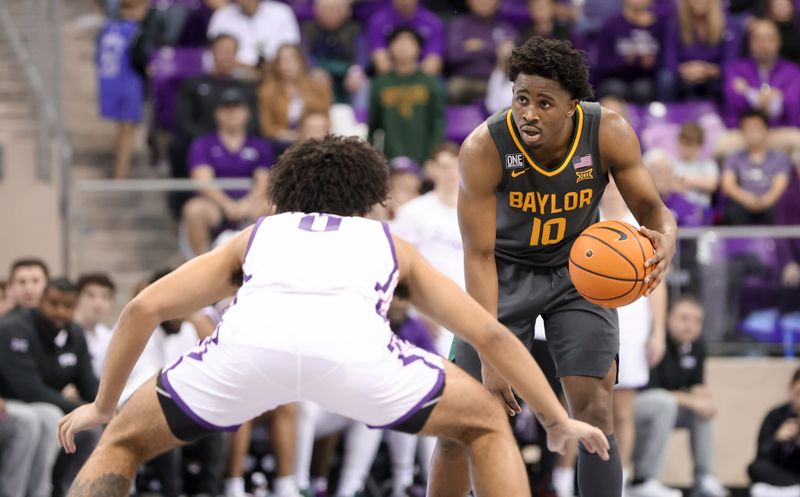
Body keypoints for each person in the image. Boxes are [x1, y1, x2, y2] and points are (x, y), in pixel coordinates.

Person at [57, 135, 609, 497]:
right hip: (357, 362)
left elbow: (143, 307)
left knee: (123, 442)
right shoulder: (388, 241)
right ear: (370, 195)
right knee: (485, 425)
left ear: (286, 193)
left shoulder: (257, 235)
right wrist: (555, 420)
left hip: (247, 357)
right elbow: (487, 331)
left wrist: (104, 406)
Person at [431, 36, 677, 497]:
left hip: (578, 275)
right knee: (461, 419)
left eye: (544, 103)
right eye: (522, 99)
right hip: (501, 275)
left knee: (596, 415)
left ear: (572, 107)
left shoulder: (609, 132)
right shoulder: (483, 147)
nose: (529, 113)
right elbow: (479, 255)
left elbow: (654, 210)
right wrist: (490, 354)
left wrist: (669, 236)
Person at [600, 178, 673, 497]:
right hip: (590, 322)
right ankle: (566, 481)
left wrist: (658, 332)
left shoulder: (642, 228)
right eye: (609, 186)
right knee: (583, 408)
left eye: (619, 186)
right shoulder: (587, 220)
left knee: (623, 412)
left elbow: (658, 282)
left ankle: (623, 480)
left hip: (631, 326)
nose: (614, 191)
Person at [0, 279, 101, 497]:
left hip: (41, 404)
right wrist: (85, 407)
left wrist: (107, 407)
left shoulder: (74, 333)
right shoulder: (13, 328)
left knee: (90, 427)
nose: (60, 311)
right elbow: (30, 391)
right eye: (53, 303)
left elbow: (89, 383)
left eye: (68, 306)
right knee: (43, 417)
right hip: (11, 402)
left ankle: (65, 491)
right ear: (41, 301)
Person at [633, 296, 728, 497]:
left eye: (696, 321)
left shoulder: (697, 346)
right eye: (684, 318)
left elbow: (698, 385)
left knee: (701, 411)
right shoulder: (655, 341)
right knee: (664, 402)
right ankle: (643, 479)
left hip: (667, 407)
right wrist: (692, 400)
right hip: (635, 406)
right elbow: (651, 389)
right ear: (668, 318)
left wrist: (703, 400)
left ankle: (705, 478)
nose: (690, 326)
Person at [181, 87, 274, 255]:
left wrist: (247, 203)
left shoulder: (260, 146)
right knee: (194, 210)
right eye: (227, 108)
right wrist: (227, 205)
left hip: (250, 204)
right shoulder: (203, 144)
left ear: (247, 113)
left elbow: (263, 180)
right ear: (217, 113)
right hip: (215, 205)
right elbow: (202, 180)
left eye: (237, 108)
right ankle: (202, 262)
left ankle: (269, 260)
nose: (232, 113)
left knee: (273, 208)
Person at [392, 142, 463, 356]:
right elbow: (400, 266)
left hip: (465, 308)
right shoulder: (412, 213)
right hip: (425, 312)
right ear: (431, 169)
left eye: (454, 165)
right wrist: (417, 311)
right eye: (443, 166)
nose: (450, 173)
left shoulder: (476, 212)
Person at [368, 28, 445, 164]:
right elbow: (373, 125)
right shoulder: (381, 82)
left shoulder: (430, 82)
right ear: (389, 48)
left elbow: (437, 122)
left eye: (409, 41)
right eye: (398, 41)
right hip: (389, 158)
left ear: (419, 49)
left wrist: (433, 156)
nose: (403, 46)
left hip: (423, 158)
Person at [95, 0, 148, 179]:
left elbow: (97, 59)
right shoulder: (135, 31)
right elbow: (142, 60)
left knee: (122, 129)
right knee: (127, 130)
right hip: (129, 84)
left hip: (110, 83)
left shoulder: (108, 29)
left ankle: (118, 168)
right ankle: (121, 174)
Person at [720, 110, 791, 225]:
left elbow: (780, 184)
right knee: (732, 211)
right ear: (742, 132)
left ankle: (778, 243)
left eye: (757, 129)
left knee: (781, 210)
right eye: (749, 130)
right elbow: (728, 184)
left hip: (770, 202)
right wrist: (747, 199)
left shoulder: (780, 158)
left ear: (767, 130)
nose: (753, 134)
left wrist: (767, 200)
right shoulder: (733, 157)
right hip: (742, 201)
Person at [659, 0, 737, 101]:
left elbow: (730, 61)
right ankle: (667, 115)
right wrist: (684, 70)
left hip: (714, 76)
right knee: (665, 78)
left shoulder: (728, 24)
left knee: (730, 78)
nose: (698, 1)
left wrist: (709, 70)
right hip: (684, 76)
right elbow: (669, 60)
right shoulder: (675, 24)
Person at [257, 43, 333, 146]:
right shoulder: (267, 91)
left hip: (314, 138)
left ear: (301, 62)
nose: (287, 65)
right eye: (282, 61)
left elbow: (325, 117)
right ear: (277, 65)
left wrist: (306, 133)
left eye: (292, 60)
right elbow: (267, 127)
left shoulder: (318, 88)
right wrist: (289, 135)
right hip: (281, 142)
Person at [444, 0, 517, 104]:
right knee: (452, 89)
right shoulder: (458, 25)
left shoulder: (505, 28)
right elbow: (453, 56)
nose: (484, 2)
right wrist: (496, 51)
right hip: (465, 79)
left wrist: (481, 47)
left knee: (513, 92)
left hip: (496, 79)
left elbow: (514, 57)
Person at [594, 0, 667, 104]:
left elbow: (666, 60)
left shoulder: (661, 25)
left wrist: (652, 63)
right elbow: (602, 64)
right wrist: (624, 61)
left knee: (643, 89)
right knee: (615, 89)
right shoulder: (611, 24)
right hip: (615, 78)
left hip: (646, 78)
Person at [748, 368, 800, 497]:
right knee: (756, 467)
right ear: (790, 391)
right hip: (780, 473)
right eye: (798, 393)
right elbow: (761, 454)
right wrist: (777, 438)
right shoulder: (776, 415)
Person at [207, 0, 300, 68]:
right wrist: (248, 68)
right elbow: (214, 53)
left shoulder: (282, 12)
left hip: (275, 73)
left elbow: (291, 49)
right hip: (235, 75)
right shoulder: (222, 15)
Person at [367, 0, 444, 76]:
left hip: (423, 78)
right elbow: (381, 62)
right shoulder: (377, 21)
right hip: (389, 78)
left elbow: (433, 62)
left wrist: (412, 81)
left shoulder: (433, 22)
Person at [73, 273, 116, 379]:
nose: (98, 303)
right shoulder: (62, 333)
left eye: (105, 297)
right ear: (76, 298)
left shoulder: (109, 337)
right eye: (90, 296)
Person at [673, 122, 720, 210]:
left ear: (699, 146)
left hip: (701, 208)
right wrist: (698, 181)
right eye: (684, 144)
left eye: (691, 145)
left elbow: (712, 185)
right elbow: (671, 186)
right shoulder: (672, 163)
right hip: (677, 207)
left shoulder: (708, 164)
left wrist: (684, 180)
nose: (687, 149)